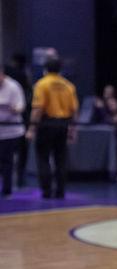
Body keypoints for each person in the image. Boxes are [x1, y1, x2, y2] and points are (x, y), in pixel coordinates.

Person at [26, 57, 78, 199]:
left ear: (45, 69)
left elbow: (38, 108)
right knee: (61, 158)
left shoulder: (42, 84)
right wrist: (73, 130)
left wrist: (31, 128)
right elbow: (74, 110)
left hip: (46, 124)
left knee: (43, 157)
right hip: (63, 125)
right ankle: (60, 191)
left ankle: (47, 190)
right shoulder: (68, 85)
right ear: (60, 69)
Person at [4, 53, 31, 188]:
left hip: (14, 128)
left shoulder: (14, 85)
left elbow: (21, 105)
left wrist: (16, 109)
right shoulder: (23, 75)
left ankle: (16, 180)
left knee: (9, 157)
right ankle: (19, 175)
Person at [0, 67, 26, 197]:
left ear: (2, 74)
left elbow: (21, 106)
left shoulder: (14, 86)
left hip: (11, 131)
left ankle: (7, 189)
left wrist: (13, 109)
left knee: (7, 161)